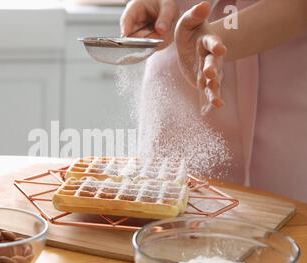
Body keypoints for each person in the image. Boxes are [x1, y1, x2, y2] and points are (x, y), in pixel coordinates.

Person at [120, 0, 307, 201]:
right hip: (179, 73)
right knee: (162, 210)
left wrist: (220, 35)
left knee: (287, 218)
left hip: (282, 89)